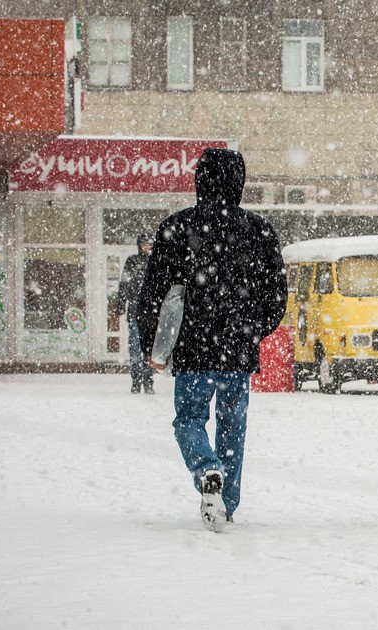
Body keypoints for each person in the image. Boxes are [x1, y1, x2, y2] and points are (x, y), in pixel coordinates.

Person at [136, 147, 287, 533]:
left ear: (199, 179)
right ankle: (228, 503)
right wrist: (252, 329)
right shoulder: (259, 230)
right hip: (237, 351)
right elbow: (276, 296)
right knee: (232, 427)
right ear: (240, 182)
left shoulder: (176, 227)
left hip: (193, 347)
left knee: (188, 420)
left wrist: (149, 342)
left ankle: (207, 469)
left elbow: (153, 293)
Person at [116, 233, 154, 394]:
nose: (146, 247)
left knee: (150, 350)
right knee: (135, 348)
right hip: (135, 311)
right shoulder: (132, 261)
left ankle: (149, 380)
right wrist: (121, 304)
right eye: (144, 244)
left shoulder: (155, 262)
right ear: (139, 245)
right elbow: (124, 283)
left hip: (152, 313)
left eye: (149, 244)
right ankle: (136, 380)